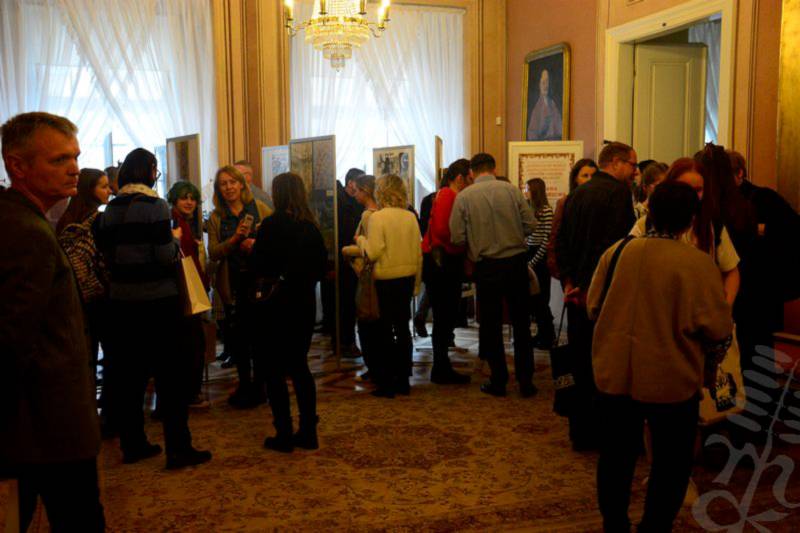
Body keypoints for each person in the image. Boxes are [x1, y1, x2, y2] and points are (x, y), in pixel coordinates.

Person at [588, 180, 733, 532]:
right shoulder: (697, 263)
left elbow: (593, 306)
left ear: (649, 213)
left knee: (616, 457)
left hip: (615, 373)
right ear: (690, 220)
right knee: (671, 462)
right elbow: (717, 327)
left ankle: (615, 524)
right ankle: (654, 526)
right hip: (672, 377)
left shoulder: (617, 252)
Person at [1, 112, 105, 531]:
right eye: (60, 159)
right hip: (46, 429)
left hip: (41, 428)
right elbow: (11, 340)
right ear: (18, 166)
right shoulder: (25, 230)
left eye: (75, 157)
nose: (74, 168)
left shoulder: (22, 219)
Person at [94, 148, 212, 470]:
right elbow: (163, 255)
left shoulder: (110, 209)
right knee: (170, 377)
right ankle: (179, 448)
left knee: (130, 378)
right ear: (148, 171)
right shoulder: (155, 206)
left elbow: (107, 253)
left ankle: (134, 444)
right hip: (158, 302)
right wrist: (174, 238)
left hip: (121, 302)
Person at [555, 141, 637, 450]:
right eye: (632, 165)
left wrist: (569, 282)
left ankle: (580, 431)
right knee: (604, 364)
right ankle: (603, 432)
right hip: (602, 293)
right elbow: (614, 248)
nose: (635, 172)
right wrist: (594, 285)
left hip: (576, 291)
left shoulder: (576, 195)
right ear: (615, 162)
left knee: (580, 361)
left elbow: (562, 242)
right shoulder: (618, 194)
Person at [450, 153, 537, 397]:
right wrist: (513, 233)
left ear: (471, 172)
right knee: (521, 324)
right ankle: (526, 381)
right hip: (516, 262)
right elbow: (531, 224)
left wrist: (476, 239)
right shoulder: (511, 190)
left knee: (491, 325)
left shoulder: (464, 197)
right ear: (494, 168)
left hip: (486, 266)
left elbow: (456, 237)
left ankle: (499, 381)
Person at [252, 172, 327, 452]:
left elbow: (259, 265)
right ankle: (308, 431)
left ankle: (283, 432)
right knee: (299, 367)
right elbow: (321, 268)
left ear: (277, 194)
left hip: (275, 306)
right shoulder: (310, 227)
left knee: (273, 370)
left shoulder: (270, 225)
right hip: (303, 304)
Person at [630, 158, 741, 305]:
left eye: (698, 190)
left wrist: (725, 307)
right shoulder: (646, 224)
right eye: (684, 188)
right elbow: (630, 264)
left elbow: (731, 271)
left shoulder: (712, 225)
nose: (692, 196)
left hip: (700, 309)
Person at [207, 165, 272, 408]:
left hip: (260, 283)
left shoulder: (260, 209)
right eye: (223, 184)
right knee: (239, 340)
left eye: (232, 182)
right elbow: (214, 253)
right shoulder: (216, 217)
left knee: (261, 339)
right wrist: (234, 240)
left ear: (242, 185)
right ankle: (245, 385)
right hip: (232, 284)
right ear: (218, 189)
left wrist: (256, 243)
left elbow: (274, 242)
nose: (229, 187)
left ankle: (261, 386)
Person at [357, 174, 423, 398]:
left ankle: (386, 383)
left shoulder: (378, 218)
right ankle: (403, 381)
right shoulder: (410, 217)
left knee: (384, 331)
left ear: (381, 192)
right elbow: (418, 253)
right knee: (403, 329)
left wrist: (360, 241)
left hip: (386, 279)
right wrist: (416, 284)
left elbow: (373, 251)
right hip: (407, 278)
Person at [422, 158, 473, 385]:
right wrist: (463, 244)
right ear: (460, 178)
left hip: (442, 263)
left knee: (445, 317)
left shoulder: (447, 195)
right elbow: (443, 231)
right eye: (470, 178)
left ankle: (441, 366)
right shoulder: (448, 195)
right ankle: (441, 368)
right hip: (442, 264)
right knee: (444, 317)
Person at [57, 168, 112, 366]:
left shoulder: (66, 218)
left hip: (75, 293)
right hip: (98, 292)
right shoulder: (99, 220)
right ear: (90, 190)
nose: (110, 191)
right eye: (104, 187)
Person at [167, 181, 210, 409]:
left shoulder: (183, 221)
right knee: (192, 345)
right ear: (175, 199)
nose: (189, 202)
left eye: (192, 198)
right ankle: (191, 394)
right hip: (185, 291)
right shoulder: (176, 222)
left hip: (184, 290)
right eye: (184, 198)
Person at [344, 174, 380, 380]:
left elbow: (366, 246)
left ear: (366, 191)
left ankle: (373, 366)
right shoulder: (380, 213)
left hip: (367, 273)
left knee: (367, 319)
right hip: (377, 273)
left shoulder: (368, 215)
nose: (354, 194)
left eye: (357, 190)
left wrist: (348, 249)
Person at [547, 158, 597, 281]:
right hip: (571, 265)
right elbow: (555, 236)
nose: (590, 180)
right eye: (585, 176)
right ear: (575, 179)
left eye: (593, 176)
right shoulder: (565, 202)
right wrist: (558, 269)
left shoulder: (600, 202)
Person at [525, 178, 555, 348]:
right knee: (534, 300)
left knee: (542, 299)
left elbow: (546, 240)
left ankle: (548, 336)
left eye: (527, 189)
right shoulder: (530, 209)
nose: (525, 192)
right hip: (530, 253)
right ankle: (541, 334)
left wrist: (533, 262)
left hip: (539, 257)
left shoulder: (546, 211)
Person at [526, 69, 563, 141]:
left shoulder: (553, 104)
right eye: (543, 82)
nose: (545, 85)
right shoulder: (537, 108)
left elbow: (560, 129)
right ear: (539, 84)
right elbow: (531, 134)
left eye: (547, 81)